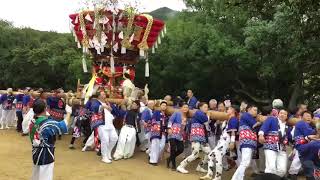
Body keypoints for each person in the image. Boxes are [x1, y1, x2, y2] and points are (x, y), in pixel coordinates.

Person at [29, 99, 71, 180]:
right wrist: (69, 112)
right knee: (45, 177)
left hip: (35, 152)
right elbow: (63, 126)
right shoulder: (47, 123)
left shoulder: (33, 121)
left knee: (36, 176)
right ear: (45, 109)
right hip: (46, 154)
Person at [200, 105, 240, 180]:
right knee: (211, 155)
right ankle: (210, 175)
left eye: (230, 109)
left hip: (226, 141)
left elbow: (233, 132)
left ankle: (217, 177)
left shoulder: (233, 119)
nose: (228, 110)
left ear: (233, 111)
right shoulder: (229, 119)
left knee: (217, 157)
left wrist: (232, 142)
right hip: (222, 141)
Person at [177, 102, 211, 174]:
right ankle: (181, 166)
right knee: (195, 154)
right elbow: (205, 120)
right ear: (200, 107)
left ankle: (200, 166)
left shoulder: (200, 113)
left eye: (207, 107)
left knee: (209, 152)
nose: (206, 109)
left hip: (201, 137)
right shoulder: (198, 113)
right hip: (196, 136)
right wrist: (208, 115)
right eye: (205, 107)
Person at [258, 109, 291, 177]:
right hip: (270, 145)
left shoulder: (288, 126)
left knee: (282, 170)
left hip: (282, 148)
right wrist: (261, 135)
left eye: (285, 114)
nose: (282, 114)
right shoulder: (272, 119)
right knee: (271, 168)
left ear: (287, 116)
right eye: (281, 113)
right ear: (278, 114)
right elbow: (264, 127)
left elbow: (290, 138)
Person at [231, 105, 260, 180]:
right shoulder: (246, 115)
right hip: (247, 140)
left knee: (246, 162)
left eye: (256, 110)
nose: (256, 112)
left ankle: (235, 178)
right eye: (255, 110)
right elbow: (255, 125)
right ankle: (239, 178)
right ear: (249, 109)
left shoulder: (247, 116)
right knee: (245, 162)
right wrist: (261, 121)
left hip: (248, 141)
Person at [293, 111, 319, 179]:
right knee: (312, 173)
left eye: (310, 116)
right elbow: (309, 132)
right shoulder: (301, 123)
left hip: (310, 151)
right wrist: (317, 127)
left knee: (313, 172)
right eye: (307, 115)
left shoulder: (310, 126)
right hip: (304, 150)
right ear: (301, 117)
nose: (309, 117)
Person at [167, 103, 189, 170]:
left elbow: (184, 128)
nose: (185, 108)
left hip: (180, 134)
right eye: (184, 107)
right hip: (173, 132)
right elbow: (170, 120)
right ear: (181, 108)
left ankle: (169, 158)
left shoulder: (186, 117)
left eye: (187, 107)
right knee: (173, 149)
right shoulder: (177, 113)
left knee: (181, 149)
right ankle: (173, 165)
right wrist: (169, 128)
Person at [149, 101, 168, 165]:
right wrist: (154, 124)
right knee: (155, 145)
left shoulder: (166, 115)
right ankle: (153, 161)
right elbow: (153, 119)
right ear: (160, 106)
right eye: (163, 105)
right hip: (156, 130)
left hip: (163, 132)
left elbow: (166, 124)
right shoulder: (156, 112)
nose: (164, 107)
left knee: (162, 146)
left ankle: (151, 154)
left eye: (165, 106)